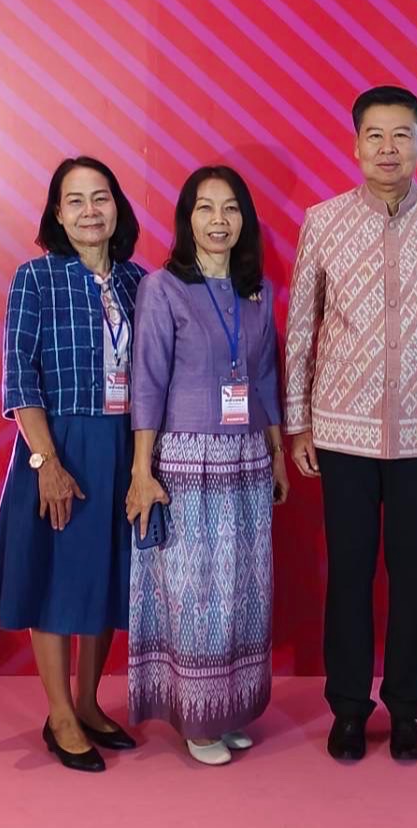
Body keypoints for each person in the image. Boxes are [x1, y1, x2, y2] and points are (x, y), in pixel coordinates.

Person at [284, 85, 417, 761]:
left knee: (411, 574)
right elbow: (301, 330)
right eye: (375, 135)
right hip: (340, 430)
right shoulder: (323, 221)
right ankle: (347, 706)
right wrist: (296, 423)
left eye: (402, 135)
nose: (388, 149)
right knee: (347, 573)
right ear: (354, 144)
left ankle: (407, 708)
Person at [0, 156, 145, 773]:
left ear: (117, 207)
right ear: (56, 213)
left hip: (124, 444)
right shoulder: (36, 279)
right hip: (58, 444)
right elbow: (18, 375)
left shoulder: (138, 281)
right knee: (53, 581)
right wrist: (45, 459)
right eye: (74, 201)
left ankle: (90, 702)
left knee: (103, 578)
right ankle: (59, 715)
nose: (89, 211)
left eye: (100, 198)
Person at [126, 166, 288, 766]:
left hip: (246, 460)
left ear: (244, 220)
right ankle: (196, 720)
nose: (218, 220)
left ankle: (228, 709)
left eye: (230, 209)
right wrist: (143, 471)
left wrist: (276, 453)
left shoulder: (257, 291)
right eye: (205, 208)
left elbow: (268, 375)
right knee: (195, 591)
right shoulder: (163, 288)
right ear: (186, 218)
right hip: (186, 462)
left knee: (243, 588)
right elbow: (147, 384)